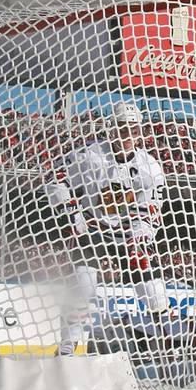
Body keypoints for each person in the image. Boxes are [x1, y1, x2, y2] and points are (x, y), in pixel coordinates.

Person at [46, 102, 169, 356]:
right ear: (111, 129)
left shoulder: (150, 167)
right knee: (82, 286)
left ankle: (166, 342)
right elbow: (54, 180)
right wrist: (72, 212)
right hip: (93, 228)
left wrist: (140, 231)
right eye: (122, 129)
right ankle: (67, 348)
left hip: (128, 232)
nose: (127, 137)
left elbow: (152, 208)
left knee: (154, 293)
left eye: (133, 130)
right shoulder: (89, 156)